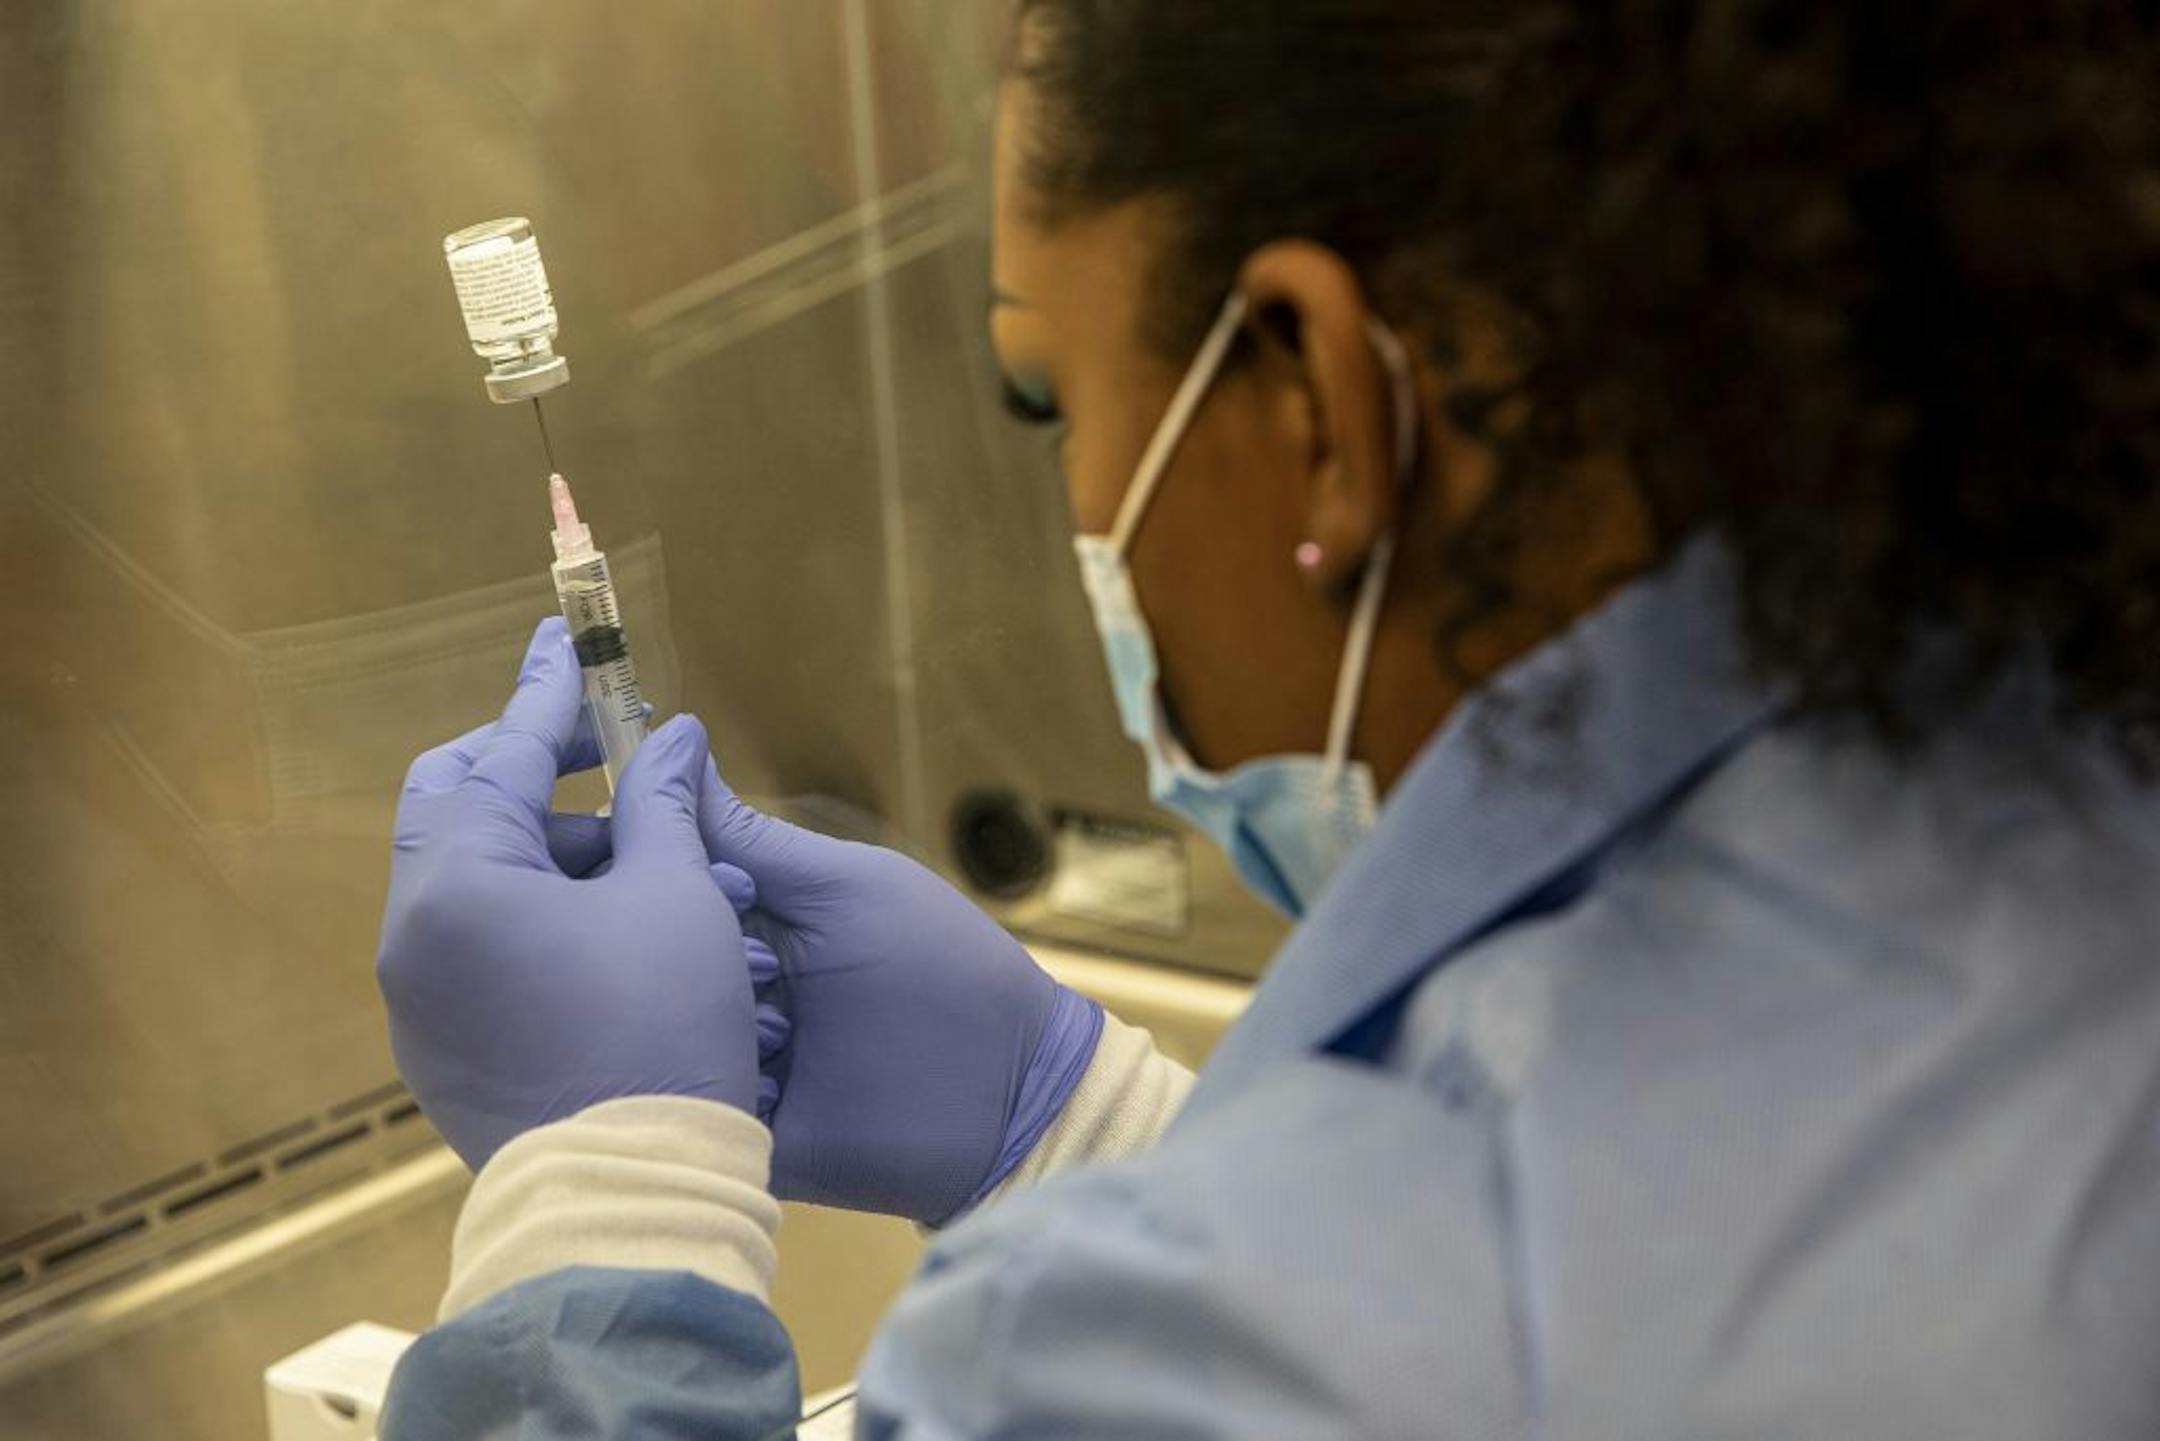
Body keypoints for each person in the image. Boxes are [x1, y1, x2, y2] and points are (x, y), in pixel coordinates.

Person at [374, 2, 2160, 1435]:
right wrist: (1091, 1132)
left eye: (1042, 391)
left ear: (1314, 397)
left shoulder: (1142, 1363)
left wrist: (598, 1208)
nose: (1084, 502)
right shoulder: (2079, 789)